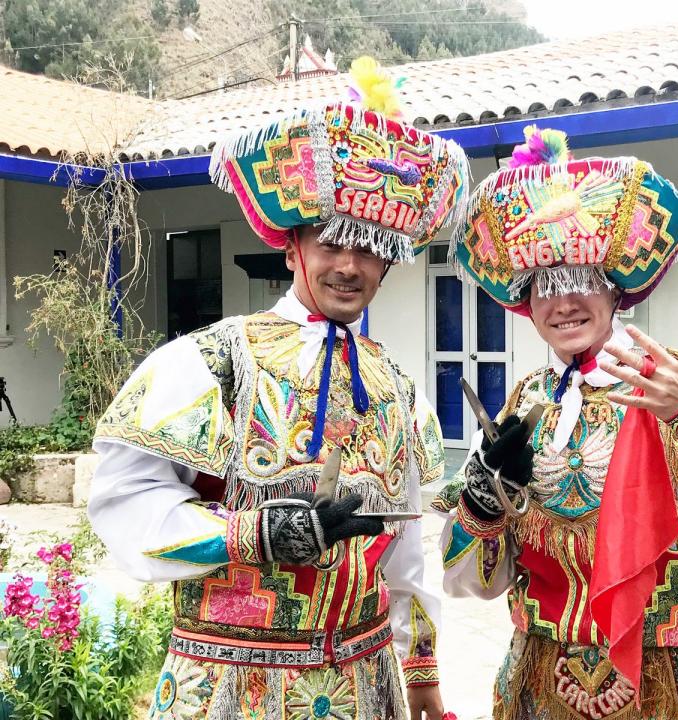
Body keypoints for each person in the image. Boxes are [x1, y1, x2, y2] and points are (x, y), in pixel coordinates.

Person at [88, 58, 467, 720]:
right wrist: (252, 534)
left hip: (366, 684)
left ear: (388, 261)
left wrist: (424, 679)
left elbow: (404, 553)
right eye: (329, 243)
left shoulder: (398, 387)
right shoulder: (211, 360)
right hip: (233, 684)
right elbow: (124, 508)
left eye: (369, 248)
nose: (348, 265)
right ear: (291, 245)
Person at [433, 126, 678, 719]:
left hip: (675, 684)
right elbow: (469, 582)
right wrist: (486, 503)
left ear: (615, 290)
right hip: (543, 684)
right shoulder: (523, 405)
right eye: (545, 287)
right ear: (526, 304)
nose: (564, 303)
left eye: (581, 283)